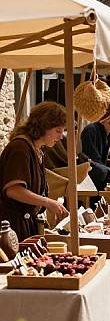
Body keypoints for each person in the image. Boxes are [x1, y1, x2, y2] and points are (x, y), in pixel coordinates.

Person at [0, 102, 69, 241]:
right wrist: (48, 202)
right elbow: (13, 190)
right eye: (58, 130)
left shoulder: (38, 150)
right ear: (44, 126)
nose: (62, 136)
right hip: (11, 228)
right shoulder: (20, 148)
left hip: (25, 225)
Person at [80, 104, 110, 191]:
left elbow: (105, 157)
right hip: (89, 181)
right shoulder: (91, 131)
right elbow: (92, 160)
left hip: (100, 177)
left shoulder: (107, 133)